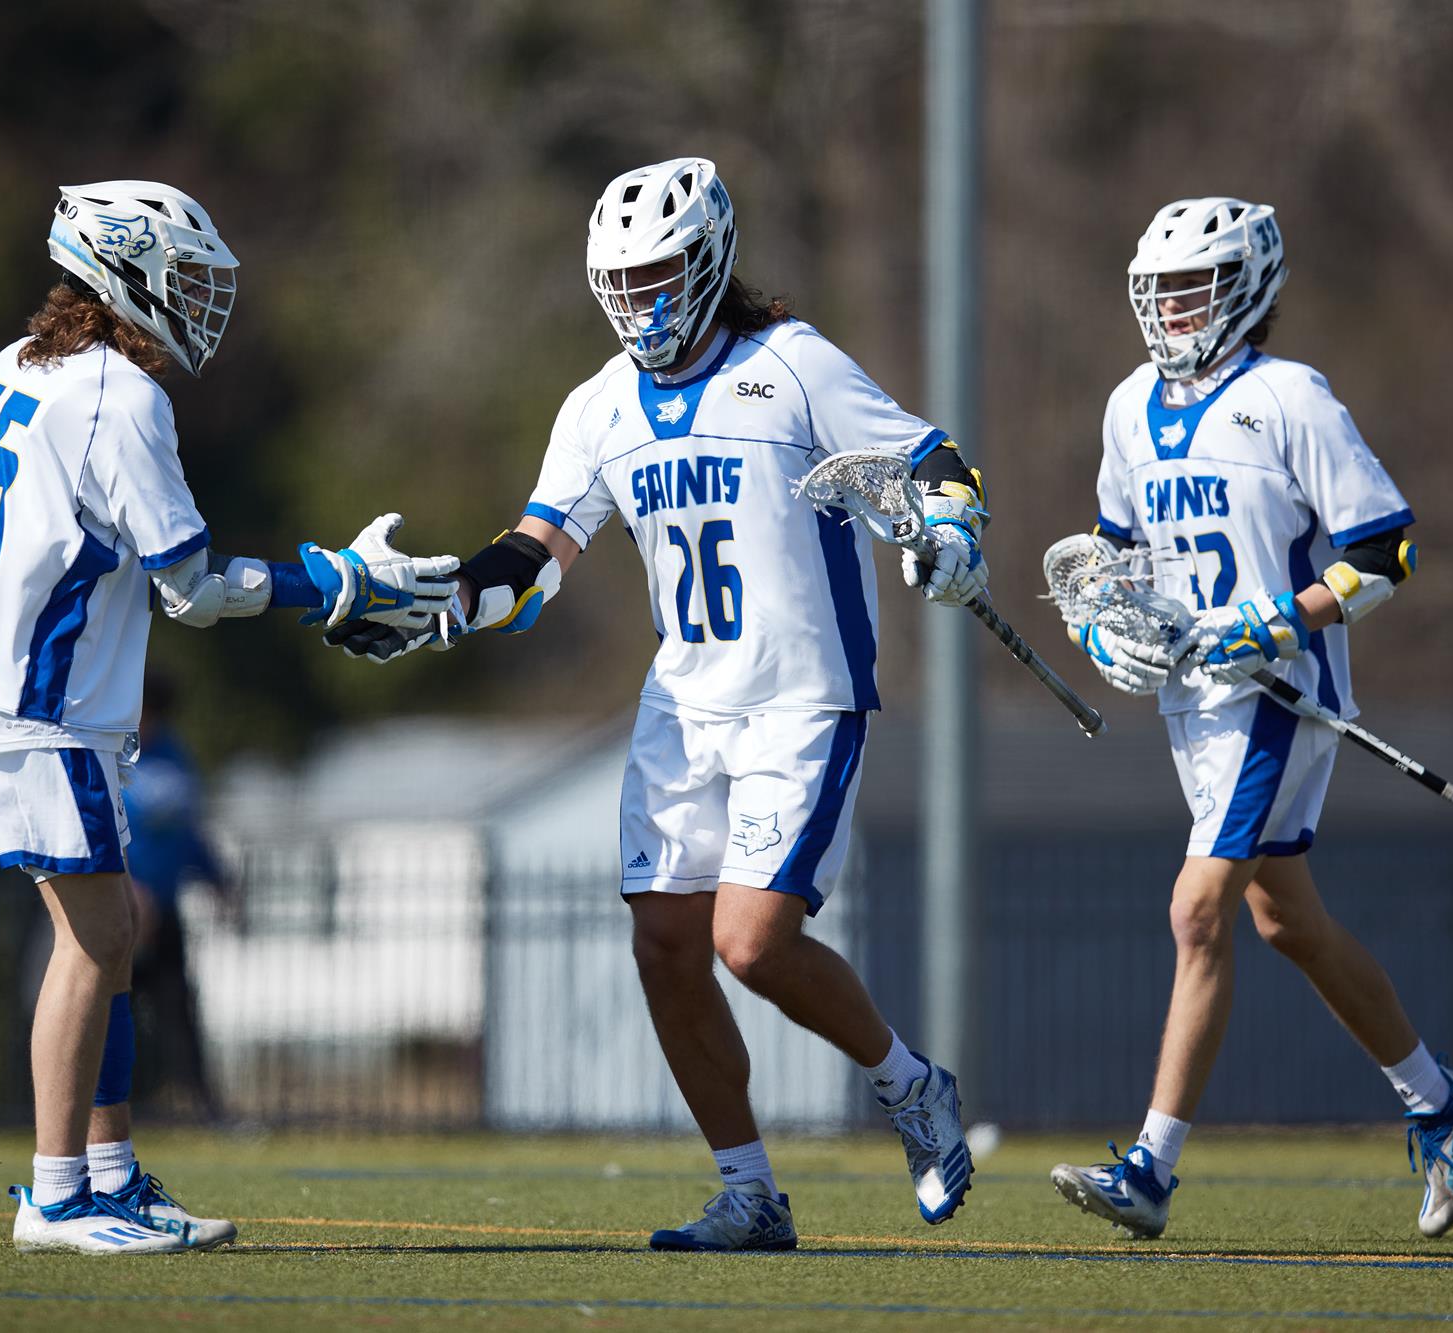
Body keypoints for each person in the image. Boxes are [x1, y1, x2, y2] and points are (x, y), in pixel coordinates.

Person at [333, 158, 991, 1251]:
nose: (643, 299)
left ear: (710, 256)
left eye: (662, 271)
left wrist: (954, 533)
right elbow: (538, 548)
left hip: (799, 695)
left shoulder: (791, 365)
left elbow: (932, 459)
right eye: (623, 279)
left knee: (751, 940)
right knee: (665, 947)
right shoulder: (598, 407)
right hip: (684, 703)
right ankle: (748, 1193)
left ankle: (911, 1085)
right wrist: (454, 595)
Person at [0, 180, 456, 1254]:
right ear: (126, 273)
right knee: (99, 935)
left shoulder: (18, 366)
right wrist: (334, 582)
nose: (201, 300)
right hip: (44, 705)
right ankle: (58, 1195)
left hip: (17, 696)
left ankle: (105, 1175)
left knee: (106, 939)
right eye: (185, 276)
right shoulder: (118, 393)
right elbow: (192, 587)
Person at [1049, 197, 1453, 1240]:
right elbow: (1113, 561)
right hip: (1189, 705)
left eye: (1190, 287)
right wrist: (1104, 636)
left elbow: (1385, 553)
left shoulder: (1288, 397)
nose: (1170, 309)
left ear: (1244, 287)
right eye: (1156, 291)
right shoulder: (1125, 407)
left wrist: (1279, 619)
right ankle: (1437, 1099)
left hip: (1275, 699)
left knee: (1196, 910)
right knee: (1283, 920)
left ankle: (1150, 1169)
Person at [123, 674, 226, 1120]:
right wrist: (125, 889)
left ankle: (201, 1107)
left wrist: (217, 878)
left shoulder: (174, 756)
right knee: (106, 1011)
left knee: (178, 1012)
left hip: (164, 913)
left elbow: (188, 831)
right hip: (118, 911)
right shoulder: (111, 751)